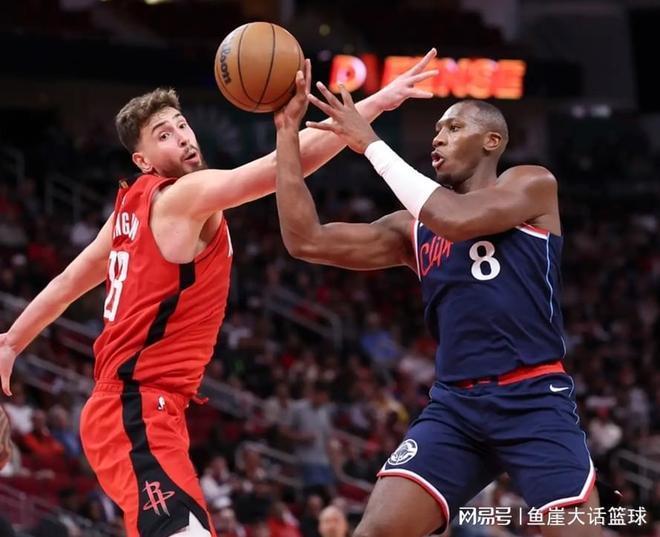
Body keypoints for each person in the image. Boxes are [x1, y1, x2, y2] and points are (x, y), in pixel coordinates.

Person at [0, 51, 438, 537]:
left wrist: (12, 342)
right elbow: (284, 165)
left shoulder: (130, 208)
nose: (182, 137)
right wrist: (376, 104)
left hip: (144, 411)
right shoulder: (182, 196)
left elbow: (68, 283)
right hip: (134, 409)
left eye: (181, 125)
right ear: (142, 161)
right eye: (163, 135)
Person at [273, 79, 604, 536]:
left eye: (453, 127)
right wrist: (286, 134)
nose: (438, 138)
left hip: (532, 399)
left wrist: (371, 145)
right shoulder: (411, 229)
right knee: (374, 531)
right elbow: (305, 240)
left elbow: (456, 220)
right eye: (436, 131)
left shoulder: (531, 184)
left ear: (492, 141)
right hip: (456, 407)